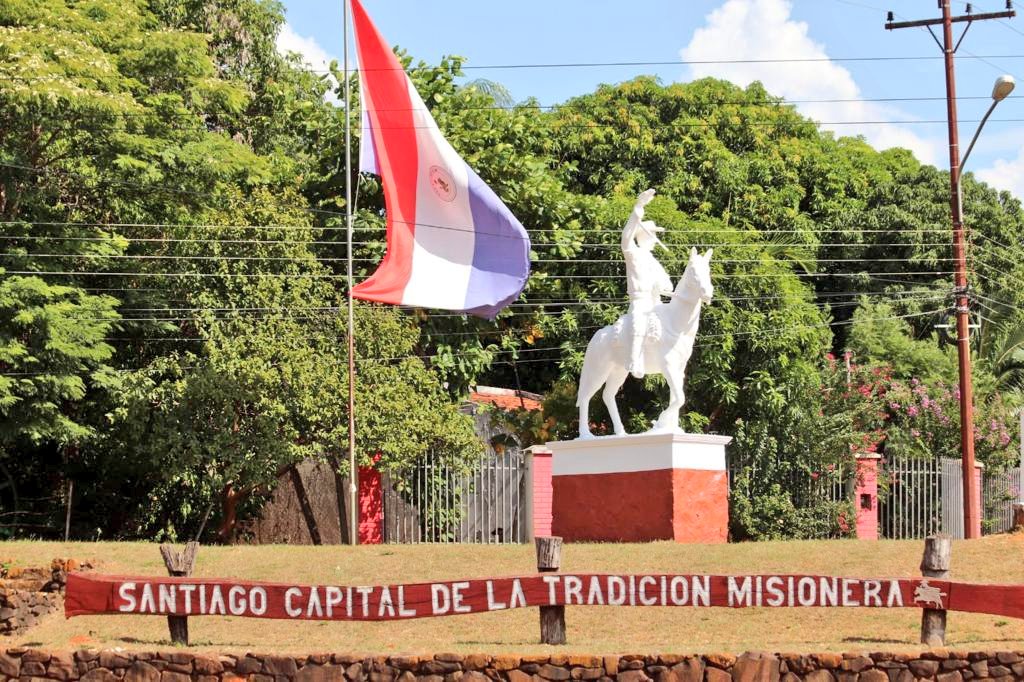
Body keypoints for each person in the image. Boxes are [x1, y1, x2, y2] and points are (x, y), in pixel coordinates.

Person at [621, 188, 673, 379]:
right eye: (652, 235)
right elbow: (626, 238)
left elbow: (668, 284)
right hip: (641, 301)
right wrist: (639, 207)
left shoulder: (654, 261)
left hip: (657, 302)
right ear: (644, 236)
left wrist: (665, 288)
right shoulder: (633, 253)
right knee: (639, 321)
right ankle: (634, 359)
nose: (654, 239)